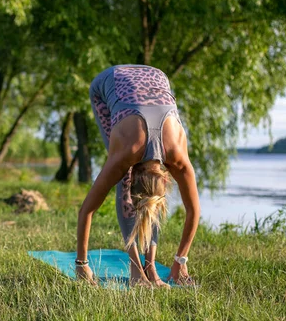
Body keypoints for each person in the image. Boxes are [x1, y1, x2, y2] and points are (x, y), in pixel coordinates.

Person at [75, 65, 200, 288]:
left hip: (157, 76)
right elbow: (87, 210)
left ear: (165, 178)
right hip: (109, 81)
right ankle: (135, 268)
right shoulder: (125, 153)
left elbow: (194, 210)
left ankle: (150, 267)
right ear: (165, 178)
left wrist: (181, 261)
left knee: (152, 203)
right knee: (120, 179)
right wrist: (81, 264)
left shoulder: (178, 156)